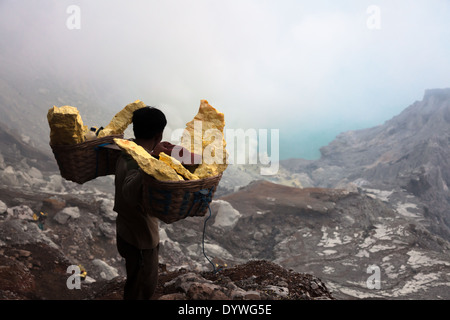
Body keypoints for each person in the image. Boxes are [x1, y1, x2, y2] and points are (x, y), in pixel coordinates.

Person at [113, 106, 171, 300]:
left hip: (126, 230)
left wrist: (153, 154)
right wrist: (153, 158)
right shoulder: (140, 161)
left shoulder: (129, 148)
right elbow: (129, 192)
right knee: (141, 289)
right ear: (159, 135)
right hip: (140, 238)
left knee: (134, 281)